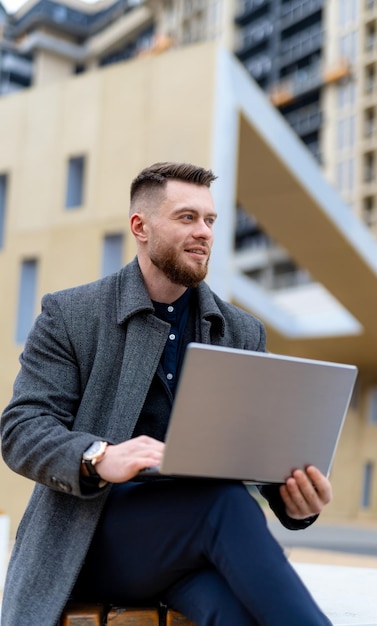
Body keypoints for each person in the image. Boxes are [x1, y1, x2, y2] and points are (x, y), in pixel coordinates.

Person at [1, 162, 333, 626]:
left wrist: (294, 501)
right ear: (141, 226)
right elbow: (21, 430)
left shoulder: (240, 331)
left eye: (210, 220)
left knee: (232, 611)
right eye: (186, 217)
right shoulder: (70, 314)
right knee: (225, 504)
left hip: (191, 545)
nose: (204, 232)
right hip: (90, 541)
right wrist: (98, 456)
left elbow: (253, 449)